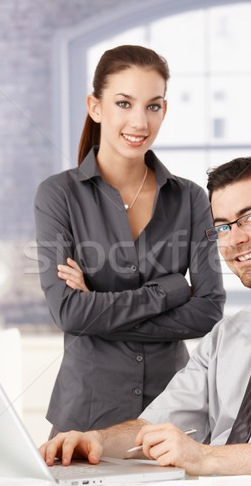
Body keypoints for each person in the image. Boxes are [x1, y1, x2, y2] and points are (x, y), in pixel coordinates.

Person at [40, 156, 251, 477]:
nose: (235, 239)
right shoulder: (228, 335)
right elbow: (156, 425)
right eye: (222, 226)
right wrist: (95, 440)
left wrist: (209, 458)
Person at [34, 45, 225, 436]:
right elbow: (69, 313)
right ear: (96, 107)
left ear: (164, 111)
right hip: (83, 418)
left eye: (153, 106)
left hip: (172, 417)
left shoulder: (190, 198)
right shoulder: (59, 195)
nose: (139, 121)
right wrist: (169, 291)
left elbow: (208, 310)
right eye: (124, 103)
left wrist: (98, 314)